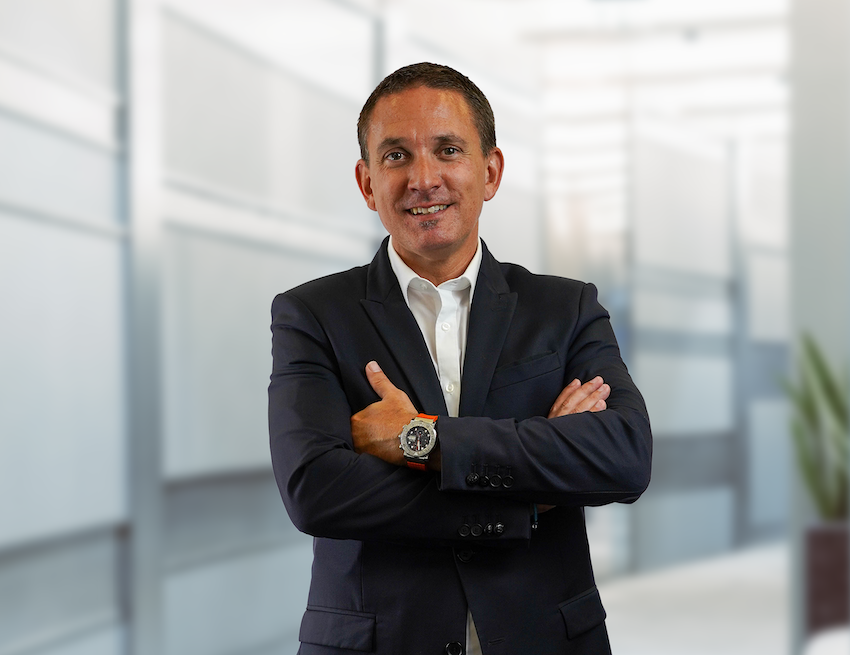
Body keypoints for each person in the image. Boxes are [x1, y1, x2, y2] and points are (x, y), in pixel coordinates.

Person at [269, 62, 652, 655]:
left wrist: (420, 439)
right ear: (367, 183)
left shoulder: (565, 308)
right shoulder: (313, 314)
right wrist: (529, 499)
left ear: (490, 171)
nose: (424, 179)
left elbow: (624, 456)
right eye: (396, 156)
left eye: (448, 150)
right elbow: (316, 490)